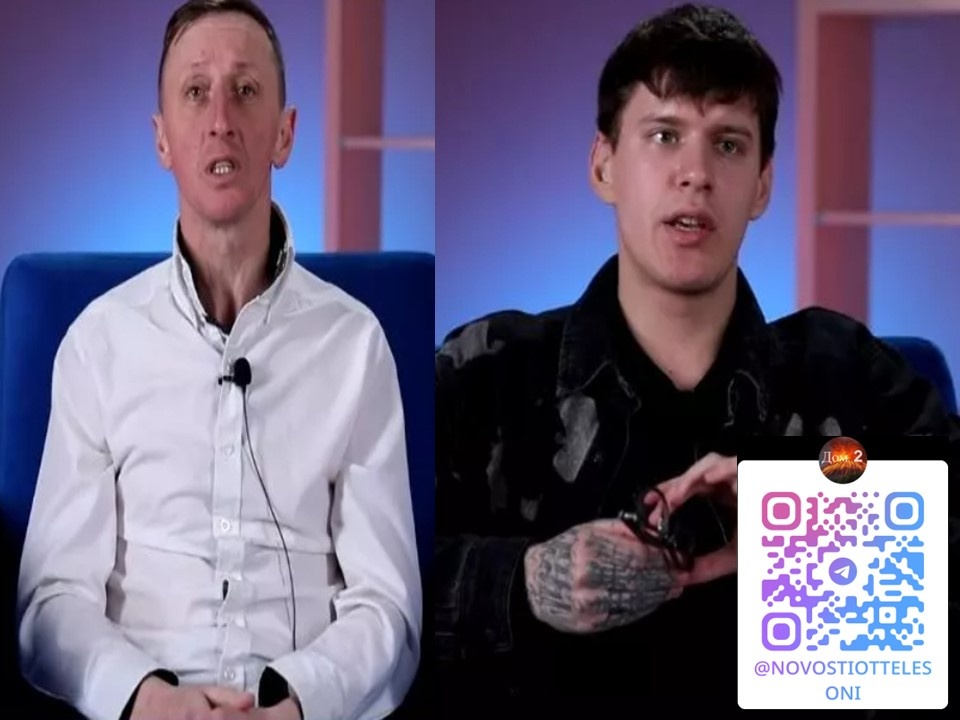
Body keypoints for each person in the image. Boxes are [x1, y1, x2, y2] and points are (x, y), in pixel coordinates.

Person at [434, 4, 958, 716]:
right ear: (603, 165)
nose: (697, 174)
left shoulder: (846, 372)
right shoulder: (487, 371)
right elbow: (357, 583)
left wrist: (799, 510)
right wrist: (524, 582)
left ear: (762, 185)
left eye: (729, 145)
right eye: (664, 135)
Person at [16, 2, 421, 719]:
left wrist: (297, 703)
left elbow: (387, 606)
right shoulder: (98, 343)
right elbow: (52, 603)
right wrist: (148, 700)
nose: (221, 120)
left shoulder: (354, 343)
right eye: (196, 92)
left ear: (285, 134)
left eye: (246, 90)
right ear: (162, 139)